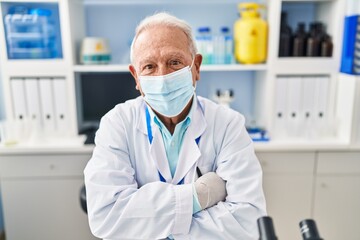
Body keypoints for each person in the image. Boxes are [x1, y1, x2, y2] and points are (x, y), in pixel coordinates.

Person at [84, 12, 266, 240]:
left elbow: (247, 221)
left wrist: (148, 222)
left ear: (196, 67)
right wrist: (199, 196)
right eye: (149, 66)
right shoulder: (117, 124)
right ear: (136, 78)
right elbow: (106, 217)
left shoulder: (228, 124)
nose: (163, 77)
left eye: (175, 62)